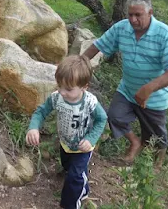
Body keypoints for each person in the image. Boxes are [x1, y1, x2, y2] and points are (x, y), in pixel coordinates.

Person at [83, 0, 168, 171]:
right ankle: (135, 143)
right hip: (127, 89)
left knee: (157, 136)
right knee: (114, 116)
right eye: (130, 14)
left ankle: (156, 168)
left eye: (138, 15)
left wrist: (149, 88)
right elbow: (98, 45)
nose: (133, 19)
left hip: (154, 97)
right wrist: (78, 64)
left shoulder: (164, 34)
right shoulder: (122, 28)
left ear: (150, 13)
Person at [26, 55, 107, 209]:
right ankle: (82, 187)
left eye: (68, 89)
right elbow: (40, 112)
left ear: (84, 87)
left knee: (75, 175)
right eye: (59, 86)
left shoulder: (90, 103)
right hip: (65, 143)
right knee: (68, 166)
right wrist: (33, 127)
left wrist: (91, 139)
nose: (62, 92)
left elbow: (102, 119)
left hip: (83, 147)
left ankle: (70, 204)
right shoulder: (57, 98)